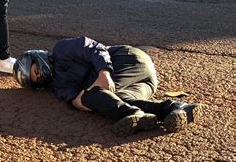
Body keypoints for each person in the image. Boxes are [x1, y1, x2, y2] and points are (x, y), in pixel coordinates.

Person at [13, 36, 204, 136]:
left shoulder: (61, 50)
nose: (39, 76)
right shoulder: (58, 87)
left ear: (38, 57)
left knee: (97, 95)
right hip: (146, 81)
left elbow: (95, 48)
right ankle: (175, 108)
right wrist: (82, 101)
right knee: (110, 99)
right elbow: (77, 100)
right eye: (35, 79)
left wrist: (104, 72)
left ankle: (130, 115)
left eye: (35, 70)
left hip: (126, 60)